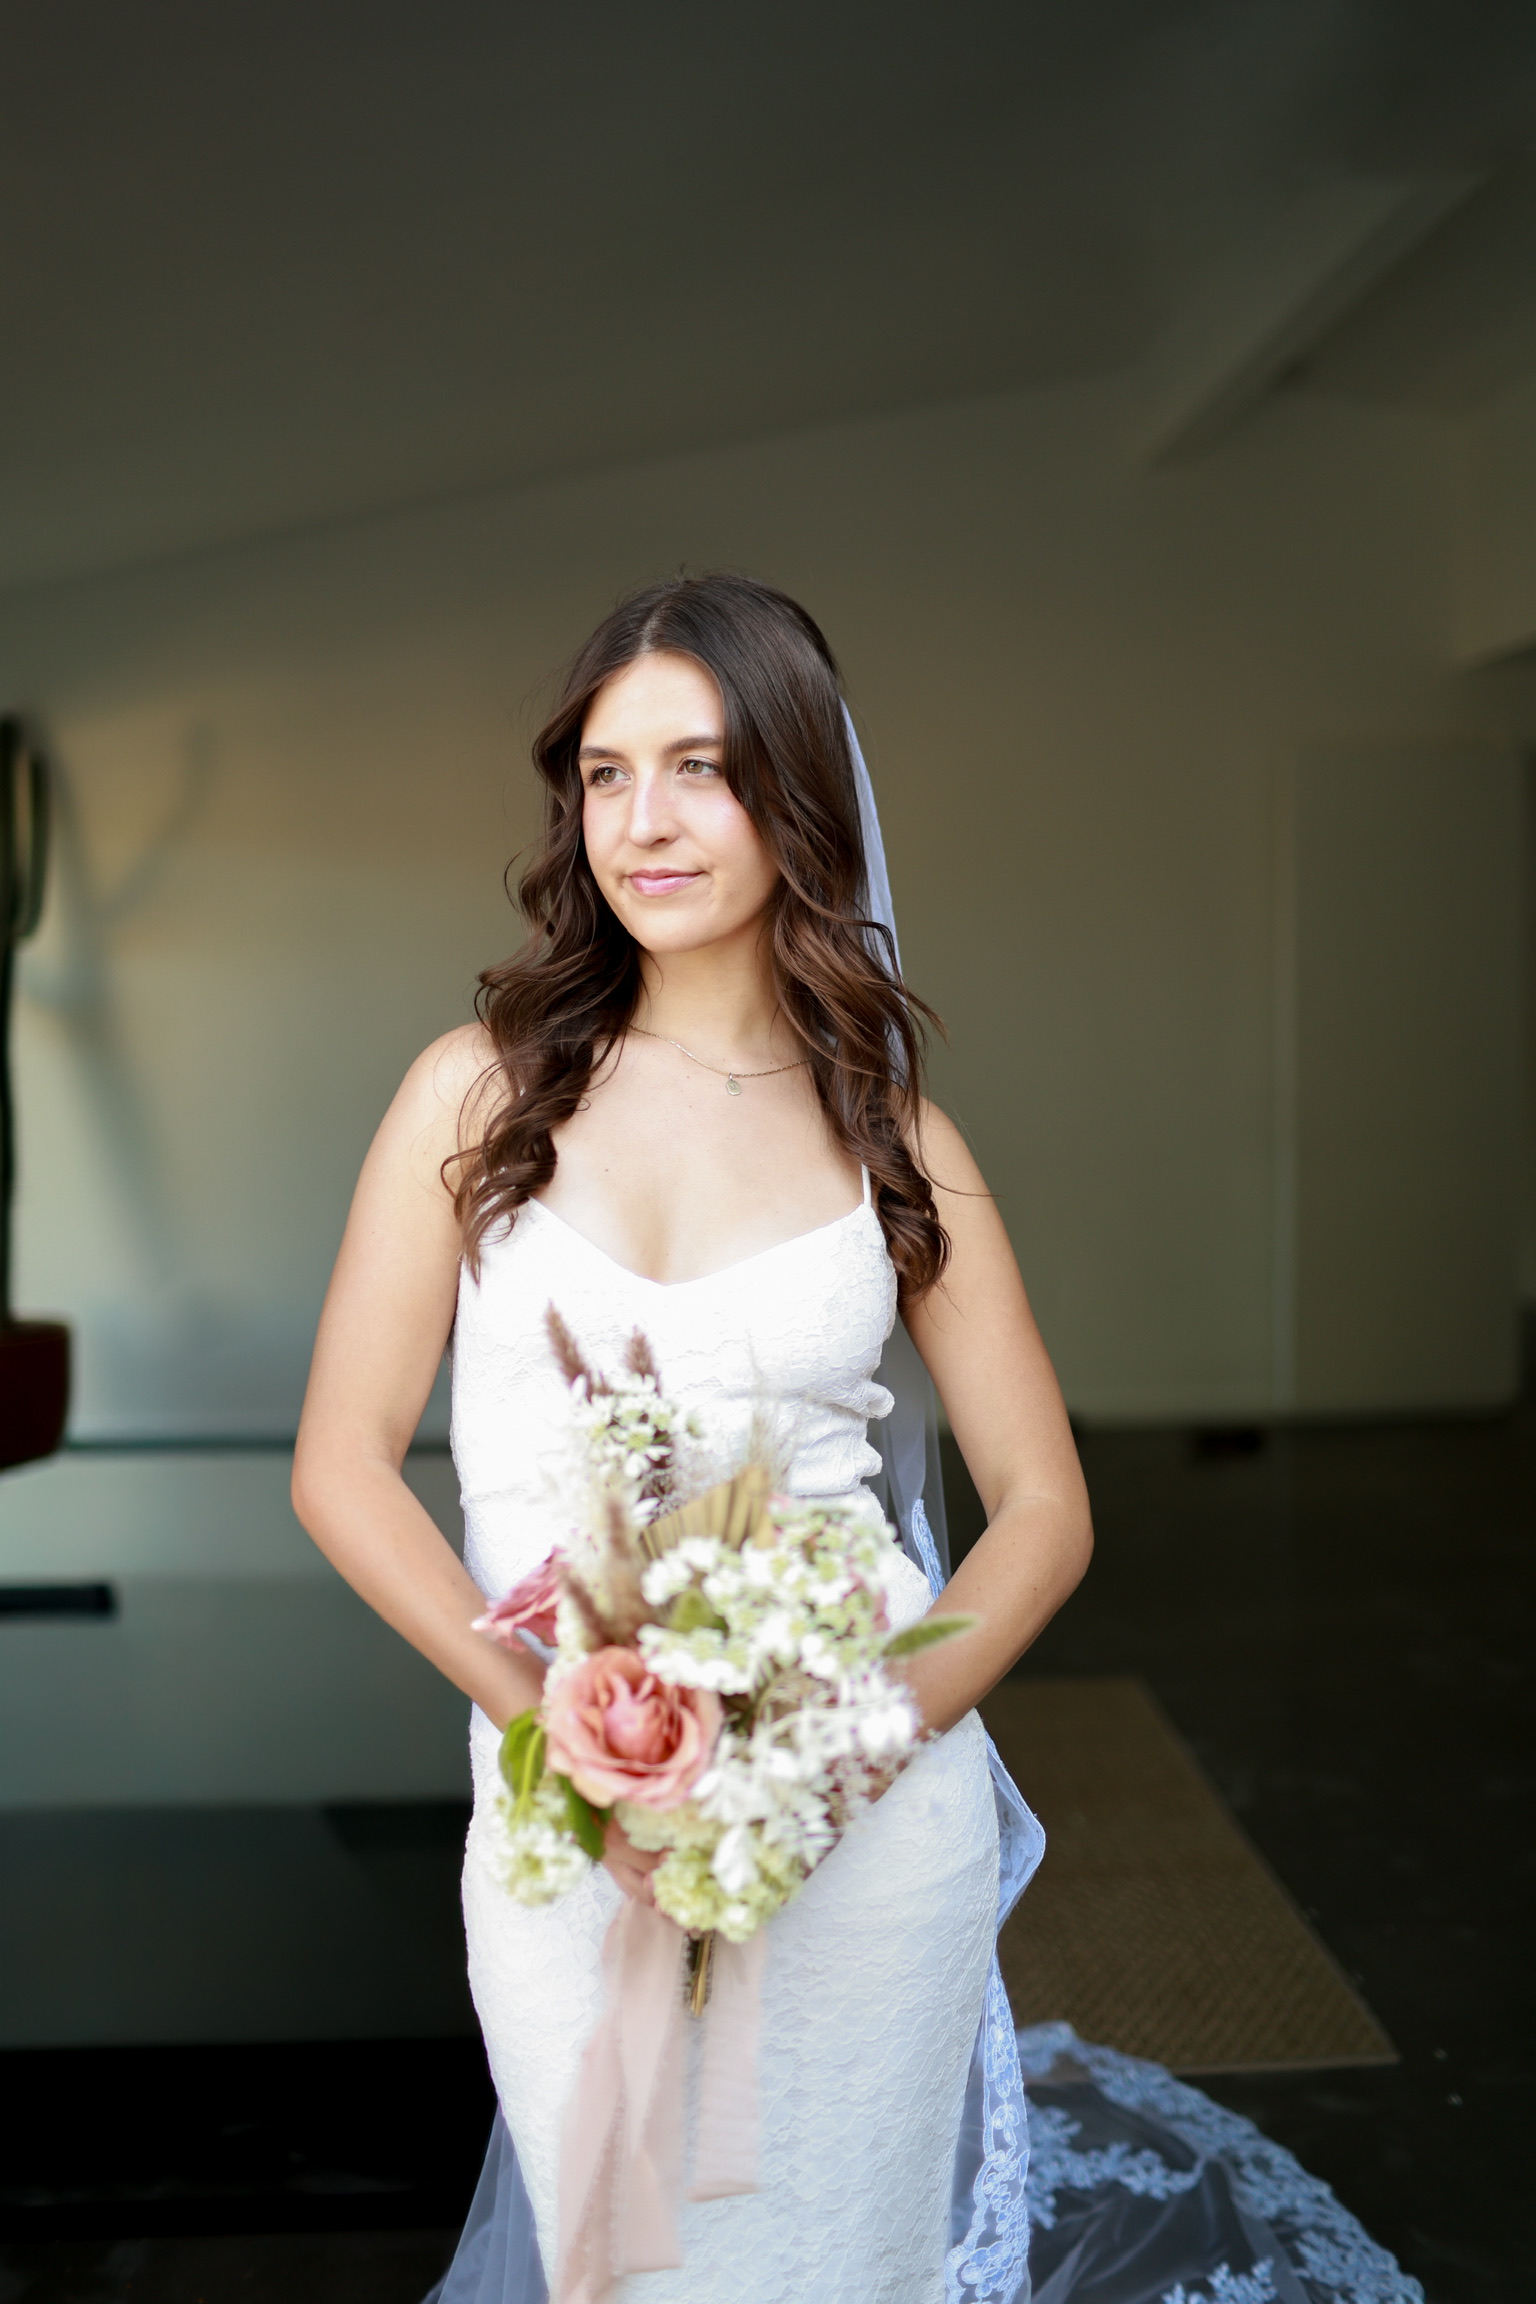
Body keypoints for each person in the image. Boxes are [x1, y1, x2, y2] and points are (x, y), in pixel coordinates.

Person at [292, 573, 1090, 2302]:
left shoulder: (893, 1134)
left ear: (794, 795)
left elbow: (1044, 1506)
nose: (641, 823)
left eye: (699, 770)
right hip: (568, 1827)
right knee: (620, 2271)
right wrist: (562, 1742)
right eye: (605, 775)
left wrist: (834, 1759)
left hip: (868, 1838)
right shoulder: (474, 1092)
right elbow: (340, 1464)